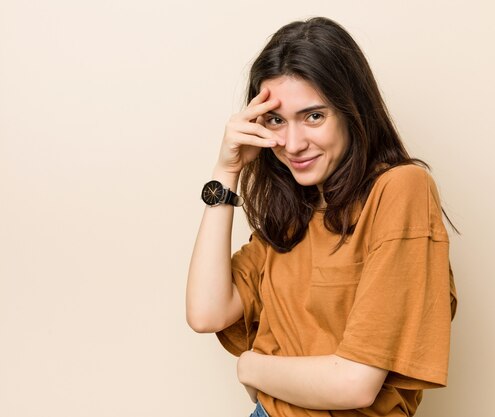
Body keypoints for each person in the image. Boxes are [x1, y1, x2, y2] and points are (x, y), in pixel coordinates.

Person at [186, 16, 458, 417]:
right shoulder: (293, 215)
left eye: (314, 116)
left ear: (352, 111)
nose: (292, 144)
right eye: (276, 120)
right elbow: (206, 312)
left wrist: (250, 365)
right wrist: (225, 173)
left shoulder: (400, 189)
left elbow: (355, 384)